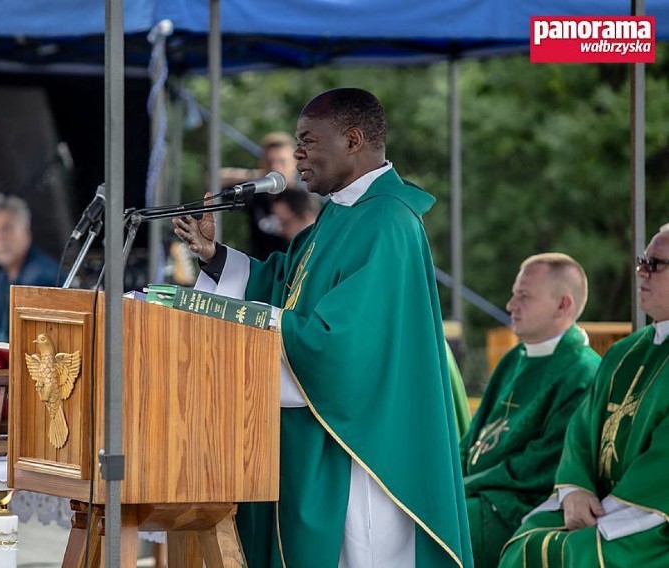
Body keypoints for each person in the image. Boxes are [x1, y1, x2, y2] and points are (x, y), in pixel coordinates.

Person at [173, 88, 471, 567]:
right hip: (319, 432)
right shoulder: (340, 213)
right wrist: (214, 256)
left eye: (308, 140)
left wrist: (247, 320)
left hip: (359, 445)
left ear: (352, 140)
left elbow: (343, 347)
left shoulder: (388, 222)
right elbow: (282, 283)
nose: (297, 155)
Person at [499, 229, 669, 567]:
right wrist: (574, 489)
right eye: (641, 262)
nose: (641, 272)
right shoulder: (624, 352)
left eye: (655, 264)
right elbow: (581, 431)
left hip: (652, 522)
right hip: (596, 505)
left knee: (577, 554)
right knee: (527, 540)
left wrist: (605, 513)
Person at [460, 253, 600, 568]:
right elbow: (473, 438)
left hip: (518, 505)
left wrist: (462, 486)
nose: (511, 305)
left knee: (430, 527)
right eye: (514, 294)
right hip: (479, 493)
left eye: (523, 296)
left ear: (563, 305)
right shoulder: (514, 358)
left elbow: (541, 467)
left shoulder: (583, 372)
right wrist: (446, 479)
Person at [0, 194, 58, 342]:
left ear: (26, 232)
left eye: (6, 228)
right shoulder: (2, 276)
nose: (0, 238)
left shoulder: (41, 278)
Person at [220, 131, 304, 259]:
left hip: (292, 269)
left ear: (294, 163)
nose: (275, 167)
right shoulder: (257, 193)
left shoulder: (304, 196)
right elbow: (216, 177)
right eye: (270, 162)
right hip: (260, 268)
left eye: (282, 162)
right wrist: (264, 177)